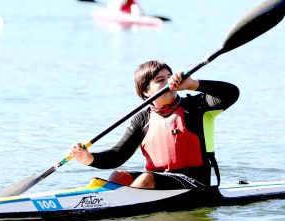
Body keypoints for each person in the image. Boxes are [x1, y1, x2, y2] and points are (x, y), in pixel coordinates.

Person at [69, 60, 239, 190]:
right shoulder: (142, 119)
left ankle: (121, 211)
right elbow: (118, 155)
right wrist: (88, 158)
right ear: (145, 91)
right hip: (158, 180)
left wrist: (193, 84)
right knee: (118, 176)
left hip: (195, 183)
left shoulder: (196, 107)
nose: (169, 82)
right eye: (160, 80)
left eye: (169, 77)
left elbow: (231, 94)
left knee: (146, 179)